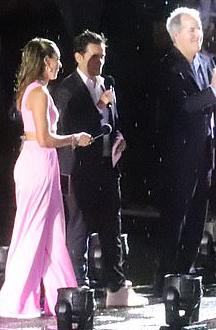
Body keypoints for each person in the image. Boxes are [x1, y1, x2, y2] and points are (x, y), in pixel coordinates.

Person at [0, 38, 91, 318]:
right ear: (45, 61)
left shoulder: (35, 91)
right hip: (38, 164)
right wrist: (75, 138)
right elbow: (46, 138)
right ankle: (17, 300)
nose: (60, 65)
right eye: (57, 59)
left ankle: (63, 296)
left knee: (52, 233)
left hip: (41, 162)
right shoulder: (39, 94)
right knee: (34, 231)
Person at [52, 30, 147, 307]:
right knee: (79, 227)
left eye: (102, 57)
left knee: (111, 227)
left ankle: (115, 285)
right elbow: (66, 128)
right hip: (80, 168)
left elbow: (111, 122)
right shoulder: (68, 87)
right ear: (79, 56)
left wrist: (118, 137)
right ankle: (75, 286)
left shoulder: (106, 83)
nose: (99, 63)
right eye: (94, 57)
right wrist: (98, 106)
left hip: (107, 165)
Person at [155, 7, 216, 296]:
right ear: (176, 34)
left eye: (199, 28)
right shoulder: (168, 66)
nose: (198, 34)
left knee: (198, 215)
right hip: (178, 153)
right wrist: (213, 91)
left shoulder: (204, 62)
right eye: (191, 29)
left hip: (204, 152)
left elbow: (212, 99)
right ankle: (165, 278)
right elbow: (184, 106)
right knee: (177, 216)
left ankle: (185, 274)